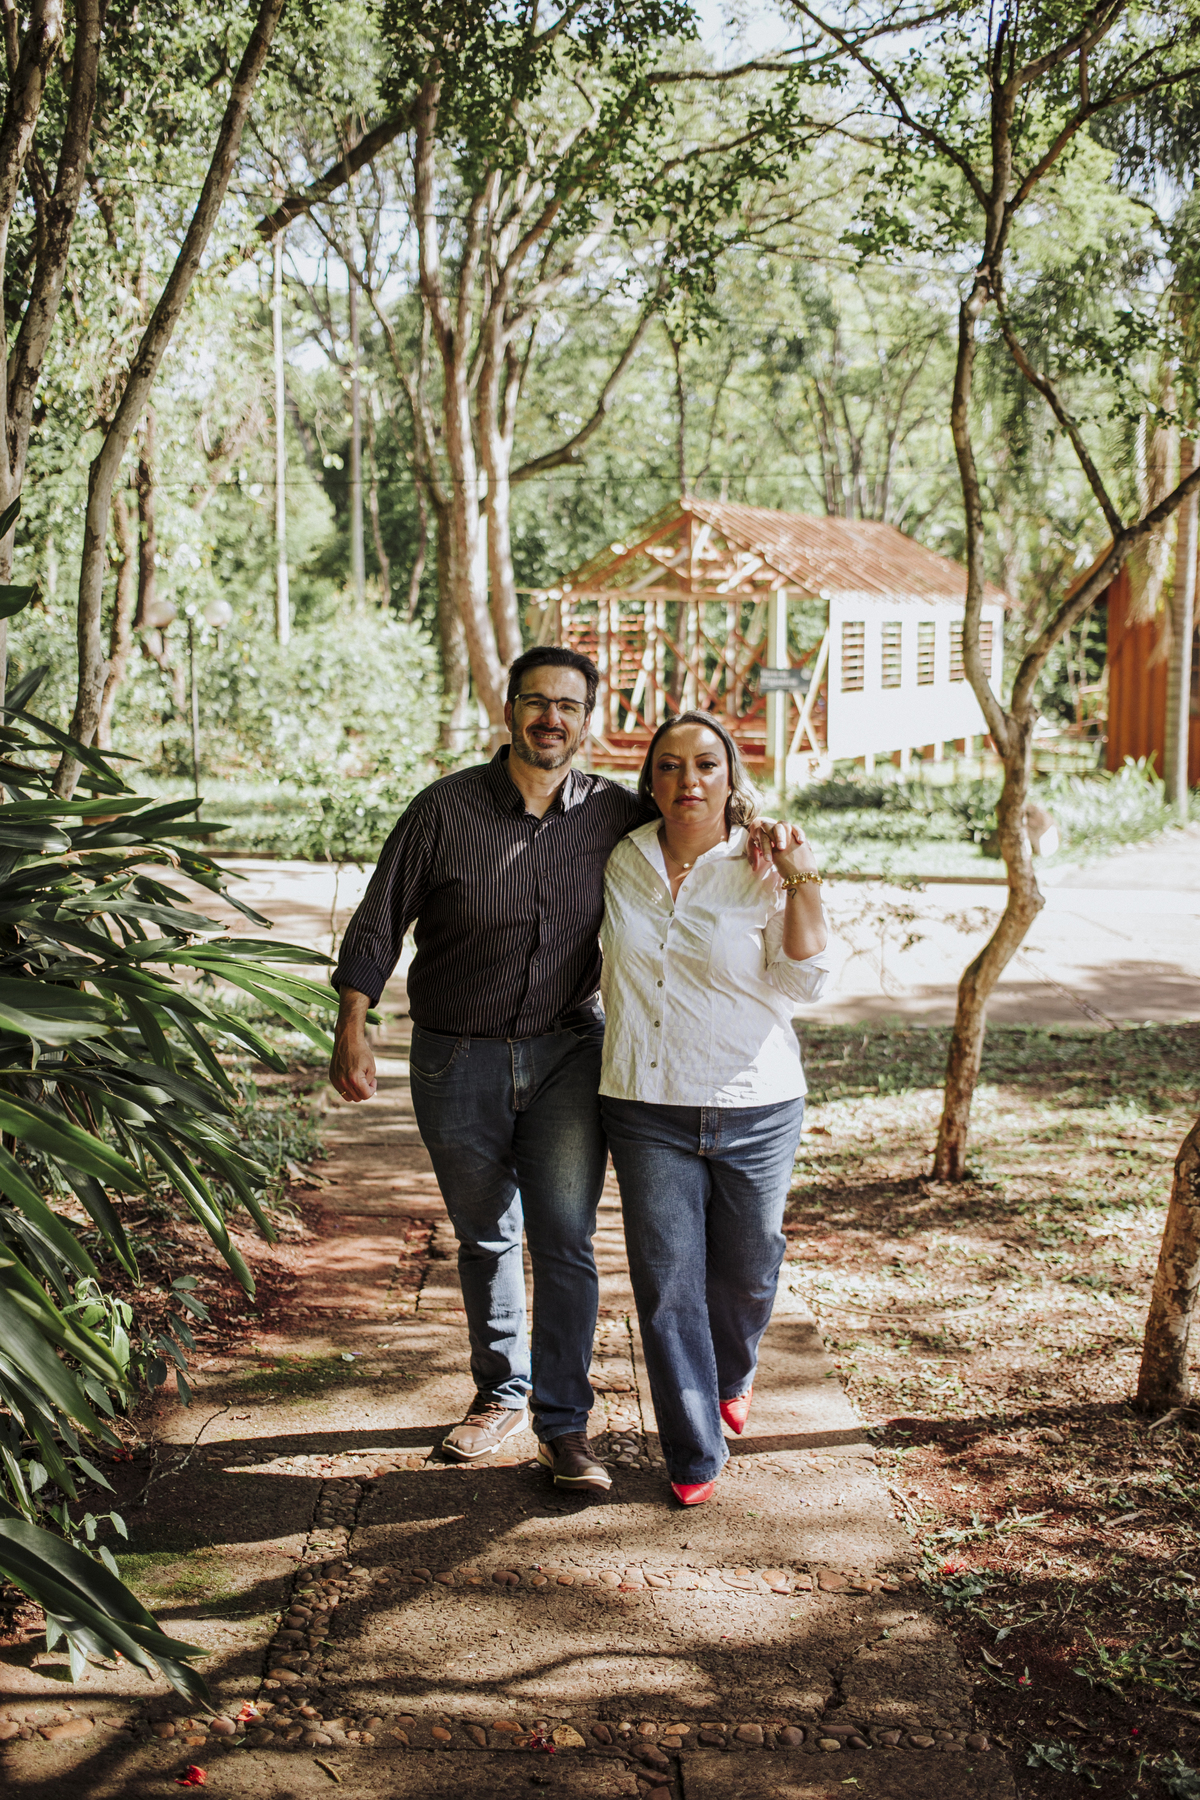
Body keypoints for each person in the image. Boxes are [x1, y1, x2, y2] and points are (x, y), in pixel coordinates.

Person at [328, 647, 645, 1497]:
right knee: (485, 1235)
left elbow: (699, 824)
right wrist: (352, 1024)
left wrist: (767, 838)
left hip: (567, 1052)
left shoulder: (616, 813)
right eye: (536, 702)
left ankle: (563, 1426)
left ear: (587, 719)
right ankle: (500, 1393)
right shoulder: (444, 809)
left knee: (566, 1238)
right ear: (508, 710)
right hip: (454, 1055)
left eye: (569, 705)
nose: (552, 718)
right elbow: (380, 917)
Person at [598, 712, 831, 1506]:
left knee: (750, 1267)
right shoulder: (620, 858)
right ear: (650, 780)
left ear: (731, 776)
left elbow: (806, 980)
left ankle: (734, 1371)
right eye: (668, 765)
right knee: (667, 1284)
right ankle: (693, 1448)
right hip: (645, 1101)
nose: (687, 780)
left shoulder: (760, 862)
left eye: (704, 764)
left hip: (755, 1103)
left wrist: (801, 876)